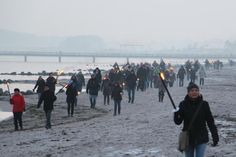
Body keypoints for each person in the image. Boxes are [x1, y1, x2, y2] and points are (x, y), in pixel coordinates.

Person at [174, 83, 219, 157]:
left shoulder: (204, 104)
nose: (194, 92)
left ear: (199, 92)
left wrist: (215, 136)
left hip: (202, 137)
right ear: (188, 93)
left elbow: (210, 122)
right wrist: (176, 113)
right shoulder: (183, 104)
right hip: (188, 138)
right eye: (192, 90)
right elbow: (178, 122)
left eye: (196, 90)